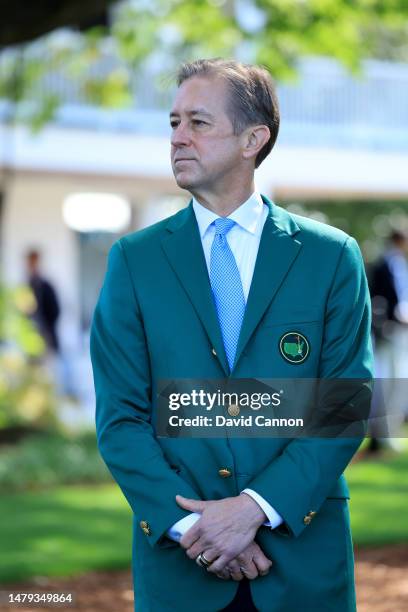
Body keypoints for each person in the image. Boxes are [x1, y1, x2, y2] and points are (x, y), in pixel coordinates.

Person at [90, 59, 373, 612]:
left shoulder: (331, 256)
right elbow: (120, 419)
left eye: (197, 122)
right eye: (173, 123)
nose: (177, 137)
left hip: (302, 567)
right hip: (180, 574)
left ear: (253, 139)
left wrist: (254, 508)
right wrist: (191, 527)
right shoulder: (134, 260)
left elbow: (346, 405)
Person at [368, 229, 408, 452]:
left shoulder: (400, 264)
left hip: (401, 332)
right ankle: (382, 435)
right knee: (388, 384)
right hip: (388, 332)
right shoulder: (384, 263)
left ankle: (391, 432)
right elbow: (380, 299)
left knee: (399, 383)